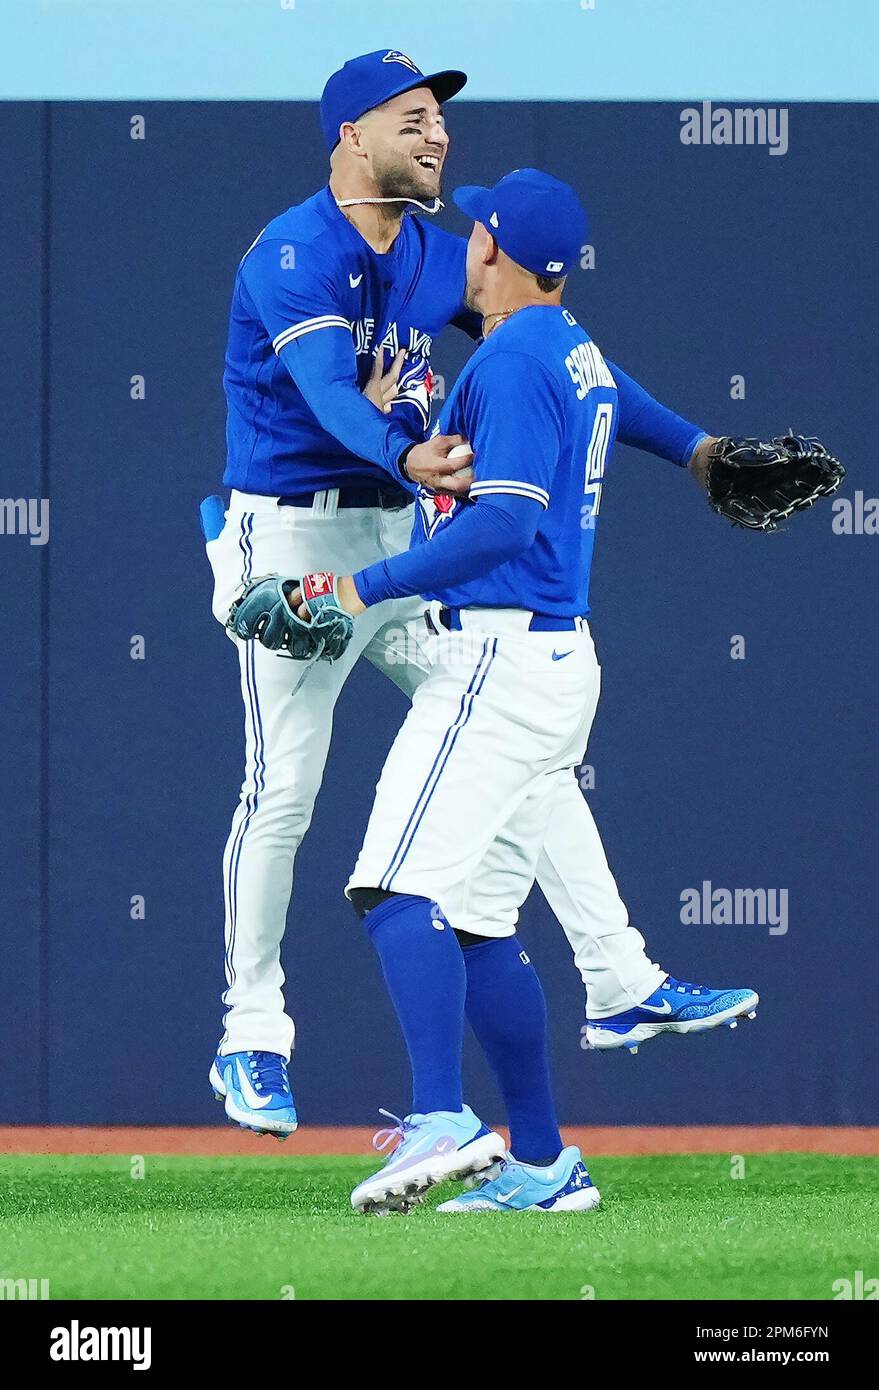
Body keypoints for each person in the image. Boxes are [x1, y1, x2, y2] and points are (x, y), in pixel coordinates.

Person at [206, 50, 756, 1141]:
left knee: (511, 731)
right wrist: (407, 453)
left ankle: (621, 975)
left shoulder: (438, 250)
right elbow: (325, 396)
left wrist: (695, 450)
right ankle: (251, 1031)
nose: (438, 136)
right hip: (296, 540)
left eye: (442, 120)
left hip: (395, 539)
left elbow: (565, 349)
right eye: (412, 118)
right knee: (286, 787)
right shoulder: (290, 251)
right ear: (349, 132)